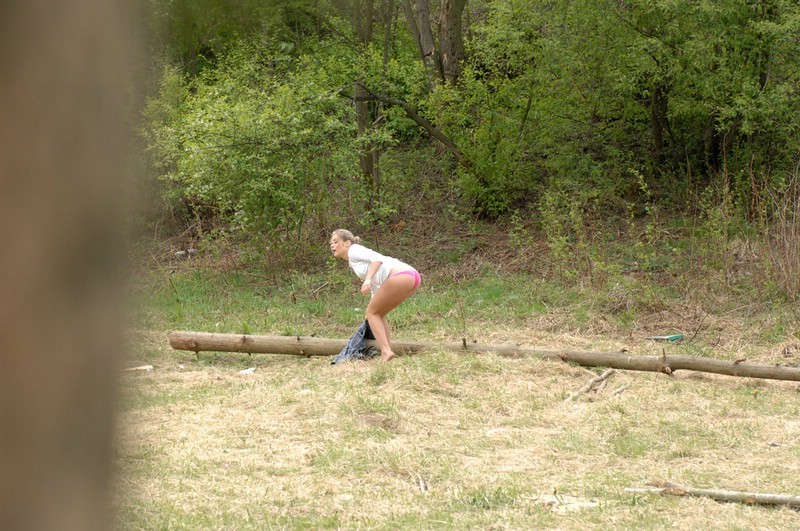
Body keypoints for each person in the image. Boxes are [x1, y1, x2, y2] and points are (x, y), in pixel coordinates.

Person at [330, 229, 421, 362]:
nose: (332, 245)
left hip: (401, 276)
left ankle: (385, 351)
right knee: (378, 313)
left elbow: (377, 259)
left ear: (347, 243)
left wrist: (367, 279)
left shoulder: (354, 250)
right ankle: (388, 351)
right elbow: (376, 286)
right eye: (331, 243)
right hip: (412, 277)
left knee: (372, 313)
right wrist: (372, 299)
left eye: (335, 241)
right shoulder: (353, 261)